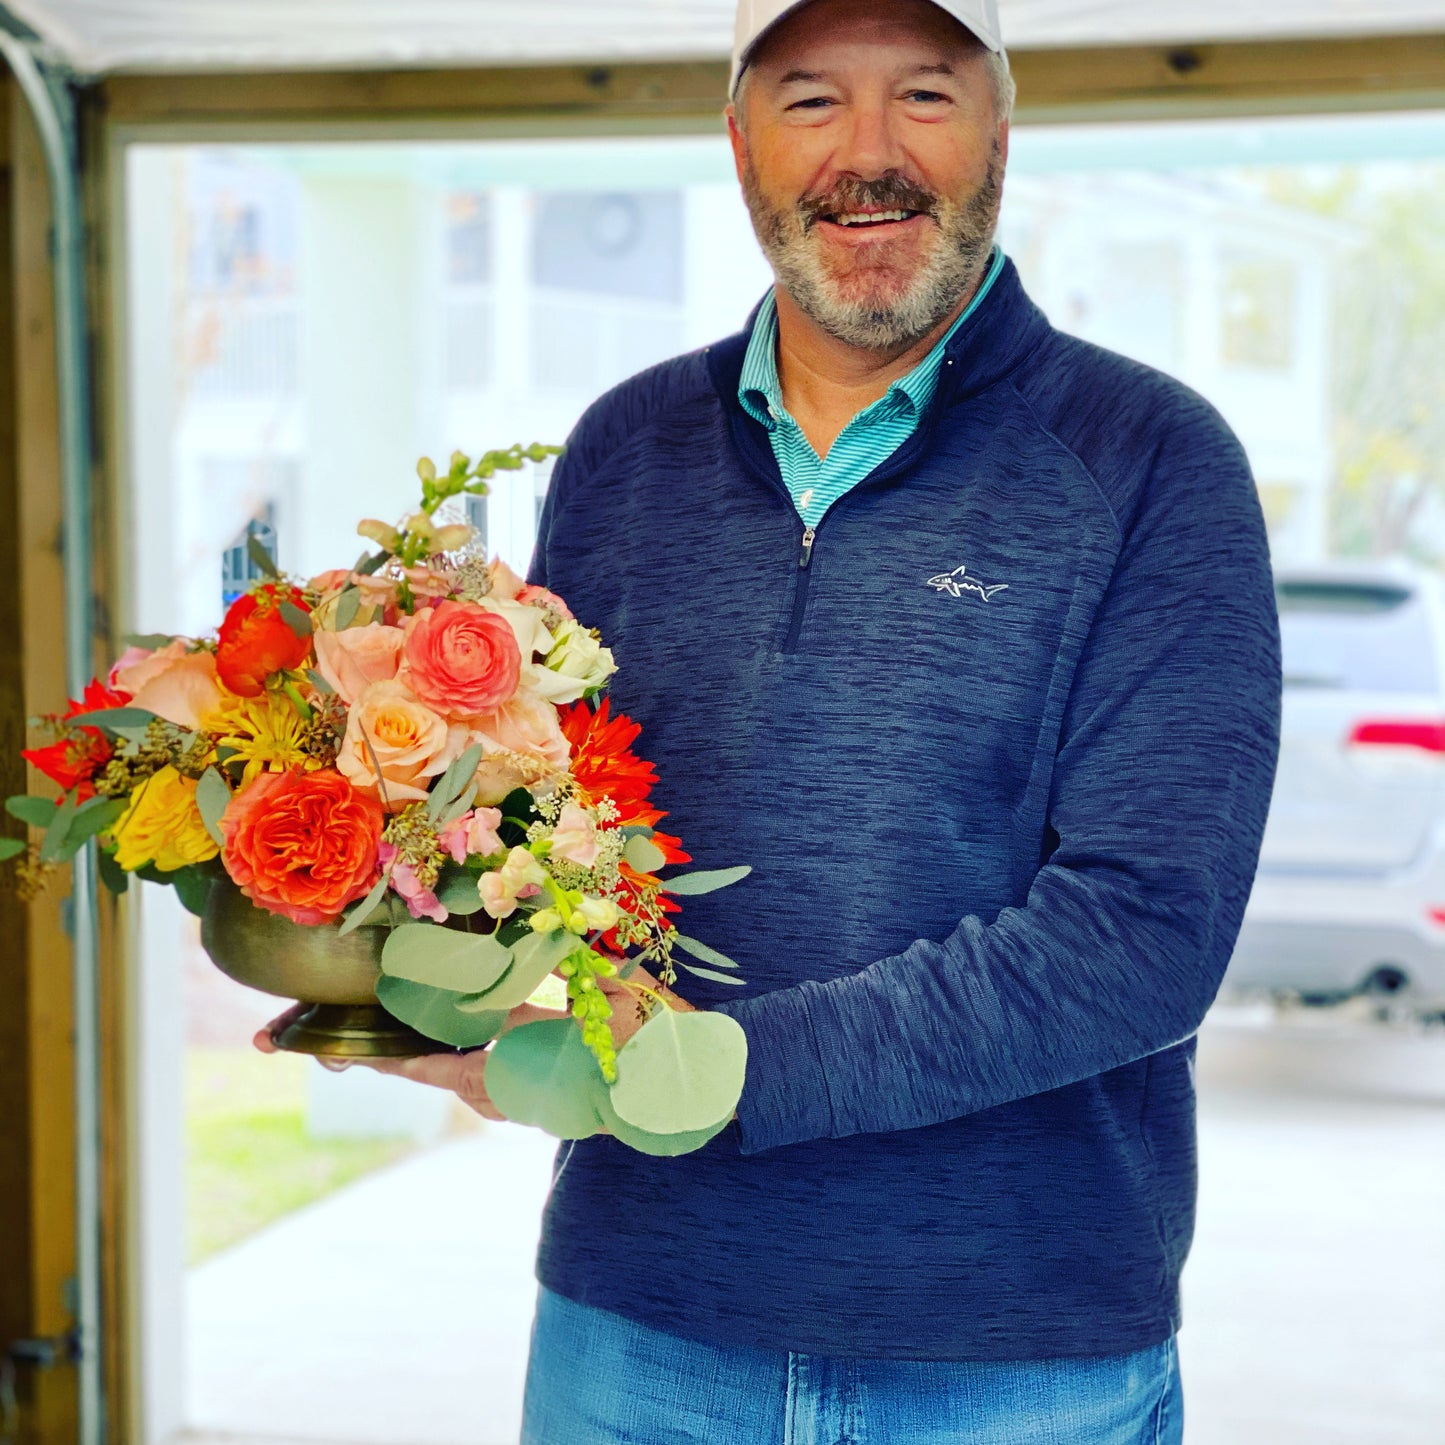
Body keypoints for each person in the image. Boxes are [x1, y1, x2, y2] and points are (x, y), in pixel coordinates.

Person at [260, 0, 1282, 1438]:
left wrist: (714, 1075)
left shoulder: (1147, 461)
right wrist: (429, 969)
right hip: (637, 1324)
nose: (868, 155)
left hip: (1011, 1351)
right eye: (809, 101)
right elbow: (561, 836)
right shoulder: (623, 452)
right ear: (737, 143)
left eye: (923, 95)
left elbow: (1140, 936)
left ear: (1000, 128)